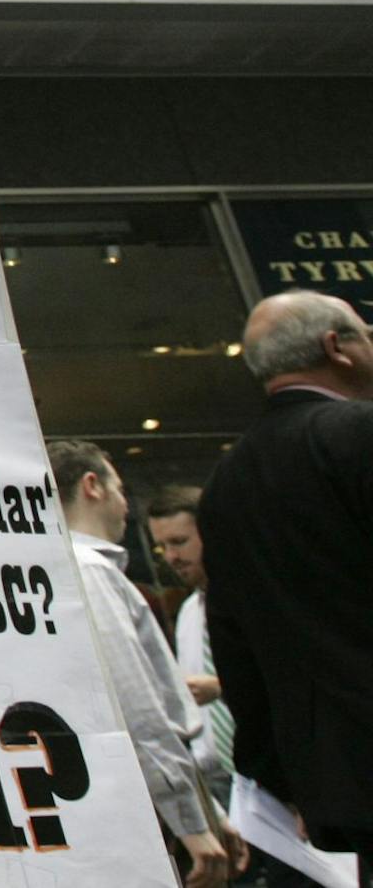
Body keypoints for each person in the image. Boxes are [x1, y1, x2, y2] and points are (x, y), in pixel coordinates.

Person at [203, 291, 373, 886]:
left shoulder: (227, 482)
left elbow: (233, 641)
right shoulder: (359, 433)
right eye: (364, 331)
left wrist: (280, 776)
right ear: (337, 347)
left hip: (336, 775)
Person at [50, 440, 245, 888]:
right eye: (120, 487)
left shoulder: (81, 569)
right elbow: (139, 711)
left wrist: (207, 812)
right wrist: (193, 824)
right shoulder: (91, 572)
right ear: (92, 485)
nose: (125, 504)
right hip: (148, 813)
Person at [148, 487, 234, 809]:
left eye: (179, 542)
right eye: (162, 547)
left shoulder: (256, 600)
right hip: (214, 777)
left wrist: (222, 687)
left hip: (266, 771)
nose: (171, 557)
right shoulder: (188, 613)